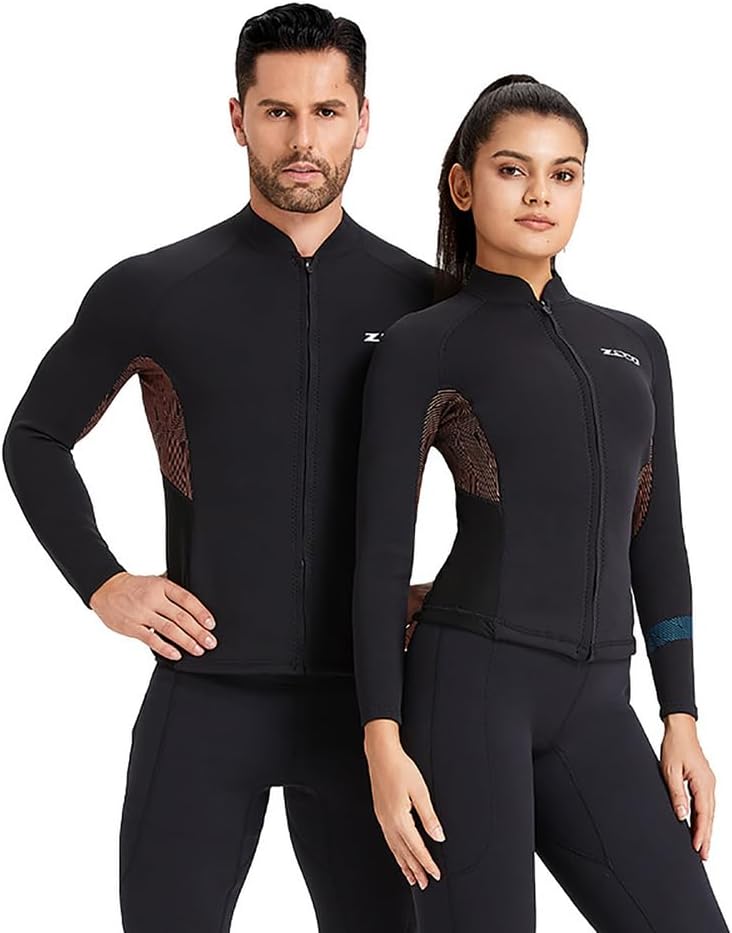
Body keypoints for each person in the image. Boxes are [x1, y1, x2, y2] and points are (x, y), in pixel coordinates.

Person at [1, 5, 437, 931]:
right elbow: (33, 437)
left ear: (364, 120)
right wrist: (103, 581)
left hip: (369, 708)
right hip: (204, 695)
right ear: (238, 118)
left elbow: (520, 469)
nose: (303, 139)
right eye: (278, 111)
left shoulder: (425, 303)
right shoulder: (156, 289)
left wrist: (465, 593)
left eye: (327, 111)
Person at [351, 74, 729, 931]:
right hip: (469, 690)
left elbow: (657, 539)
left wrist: (681, 715)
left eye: (564, 174)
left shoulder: (635, 346)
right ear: (463, 185)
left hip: (599, 701)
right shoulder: (424, 344)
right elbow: (380, 555)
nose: (538, 194)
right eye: (512, 169)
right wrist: (382, 737)